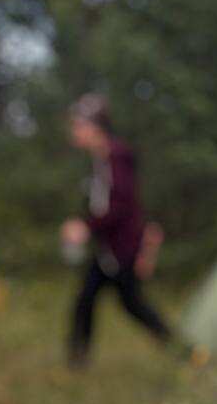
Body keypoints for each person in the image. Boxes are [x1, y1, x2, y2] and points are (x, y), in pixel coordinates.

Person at [62, 94, 172, 366]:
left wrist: (85, 227)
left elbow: (121, 204)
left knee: (130, 304)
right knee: (92, 300)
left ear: (93, 127)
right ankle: (78, 360)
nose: (74, 132)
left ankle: (180, 348)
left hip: (122, 249)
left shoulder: (116, 156)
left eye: (77, 126)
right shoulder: (102, 159)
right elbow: (104, 203)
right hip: (110, 247)